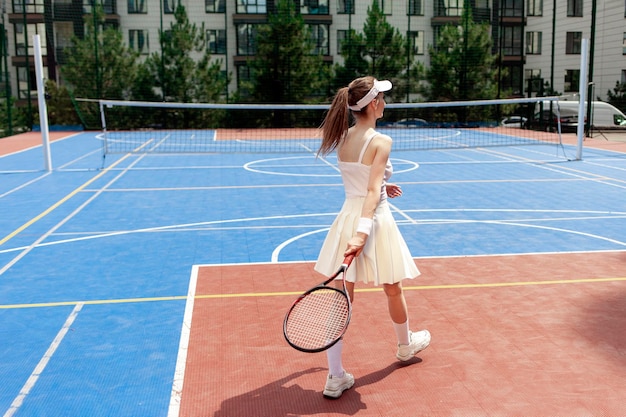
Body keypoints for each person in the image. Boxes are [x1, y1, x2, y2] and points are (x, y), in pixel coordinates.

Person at [314, 76, 431, 399]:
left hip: (349, 217)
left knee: (342, 300)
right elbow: (369, 190)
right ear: (374, 104)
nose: (385, 103)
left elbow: (363, 183)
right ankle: (405, 346)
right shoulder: (381, 141)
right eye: (383, 97)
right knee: (393, 287)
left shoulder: (342, 138)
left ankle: (335, 376)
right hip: (373, 221)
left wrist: (382, 189)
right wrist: (363, 232)